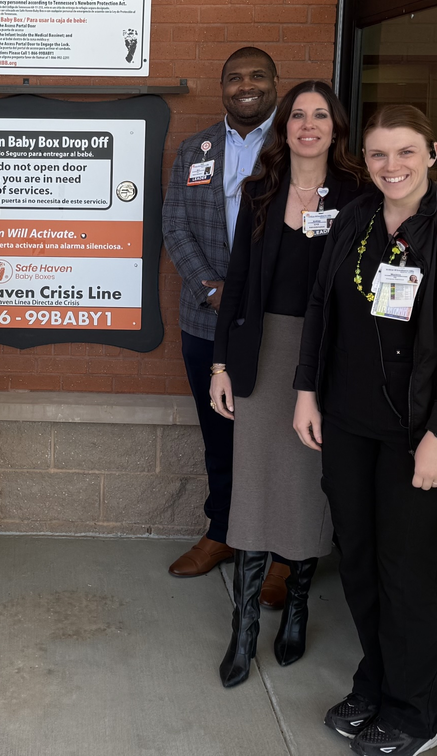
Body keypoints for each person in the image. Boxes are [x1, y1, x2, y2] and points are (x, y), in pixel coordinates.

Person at [295, 105, 437, 756]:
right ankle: (377, 681)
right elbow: (322, 307)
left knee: (407, 569)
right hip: (349, 423)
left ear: (432, 153)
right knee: (358, 559)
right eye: (380, 154)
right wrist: (307, 393)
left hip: (422, 433)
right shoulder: (356, 219)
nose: (392, 166)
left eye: (406, 152)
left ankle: (416, 713)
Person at [210, 81, 371, 686]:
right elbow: (238, 279)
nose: (308, 125)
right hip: (263, 353)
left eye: (320, 115)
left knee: (308, 484)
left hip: (330, 353)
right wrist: (221, 364)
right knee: (253, 484)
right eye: (298, 115)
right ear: (286, 127)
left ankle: (297, 604)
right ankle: (244, 626)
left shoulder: (360, 193)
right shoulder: (260, 189)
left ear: (337, 126)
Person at [161, 46, 279, 578]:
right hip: (205, 317)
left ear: (274, 83)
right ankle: (223, 532)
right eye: (235, 77)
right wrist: (212, 288)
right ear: (223, 87)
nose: (245, 85)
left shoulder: (297, 142)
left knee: (280, 436)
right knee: (220, 432)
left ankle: (281, 550)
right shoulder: (195, 148)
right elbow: (175, 226)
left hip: (279, 323)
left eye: (257, 76)